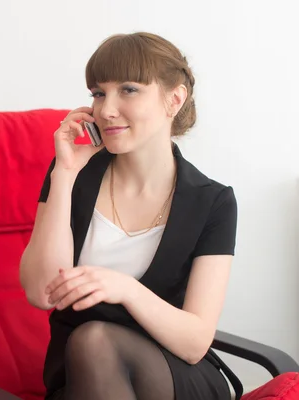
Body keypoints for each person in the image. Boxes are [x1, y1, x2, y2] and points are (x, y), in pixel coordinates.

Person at [19, 32, 240, 400]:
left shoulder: (213, 202)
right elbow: (42, 293)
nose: (106, 110)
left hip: (173, 375)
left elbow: (194, 342)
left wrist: (125, 289)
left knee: (95, 340)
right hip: (82, 377)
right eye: (98, 93)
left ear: (174, 99)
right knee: (92, 344)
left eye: (129, 90)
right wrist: (64, 176)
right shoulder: (72, 176)